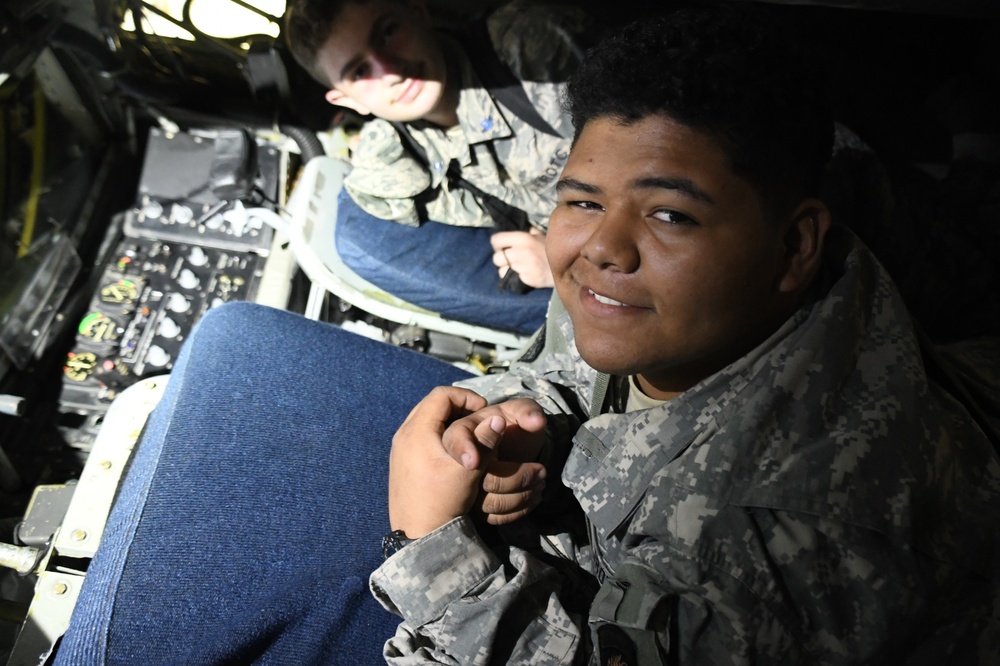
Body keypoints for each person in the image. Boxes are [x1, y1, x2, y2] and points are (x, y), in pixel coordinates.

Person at [55, 5, 999, 665]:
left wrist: (432, 548)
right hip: (581, 530)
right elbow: (561, 364)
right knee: (235, 342)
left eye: (670, 216)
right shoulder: (646, 290)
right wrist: (524, 421)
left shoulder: (823, 538)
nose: (599, 251)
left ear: (795, 246)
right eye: (580, 201)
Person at [284, 0, 595, 335]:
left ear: (418, 12)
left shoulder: (528, 47)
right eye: (360, 72)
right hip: (569, 257)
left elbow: (655, 163)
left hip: (634, 251)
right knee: (352, 232)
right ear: (349, 102)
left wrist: (565, 265)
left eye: (388, 33)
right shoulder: (404, 147)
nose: (391, 71)